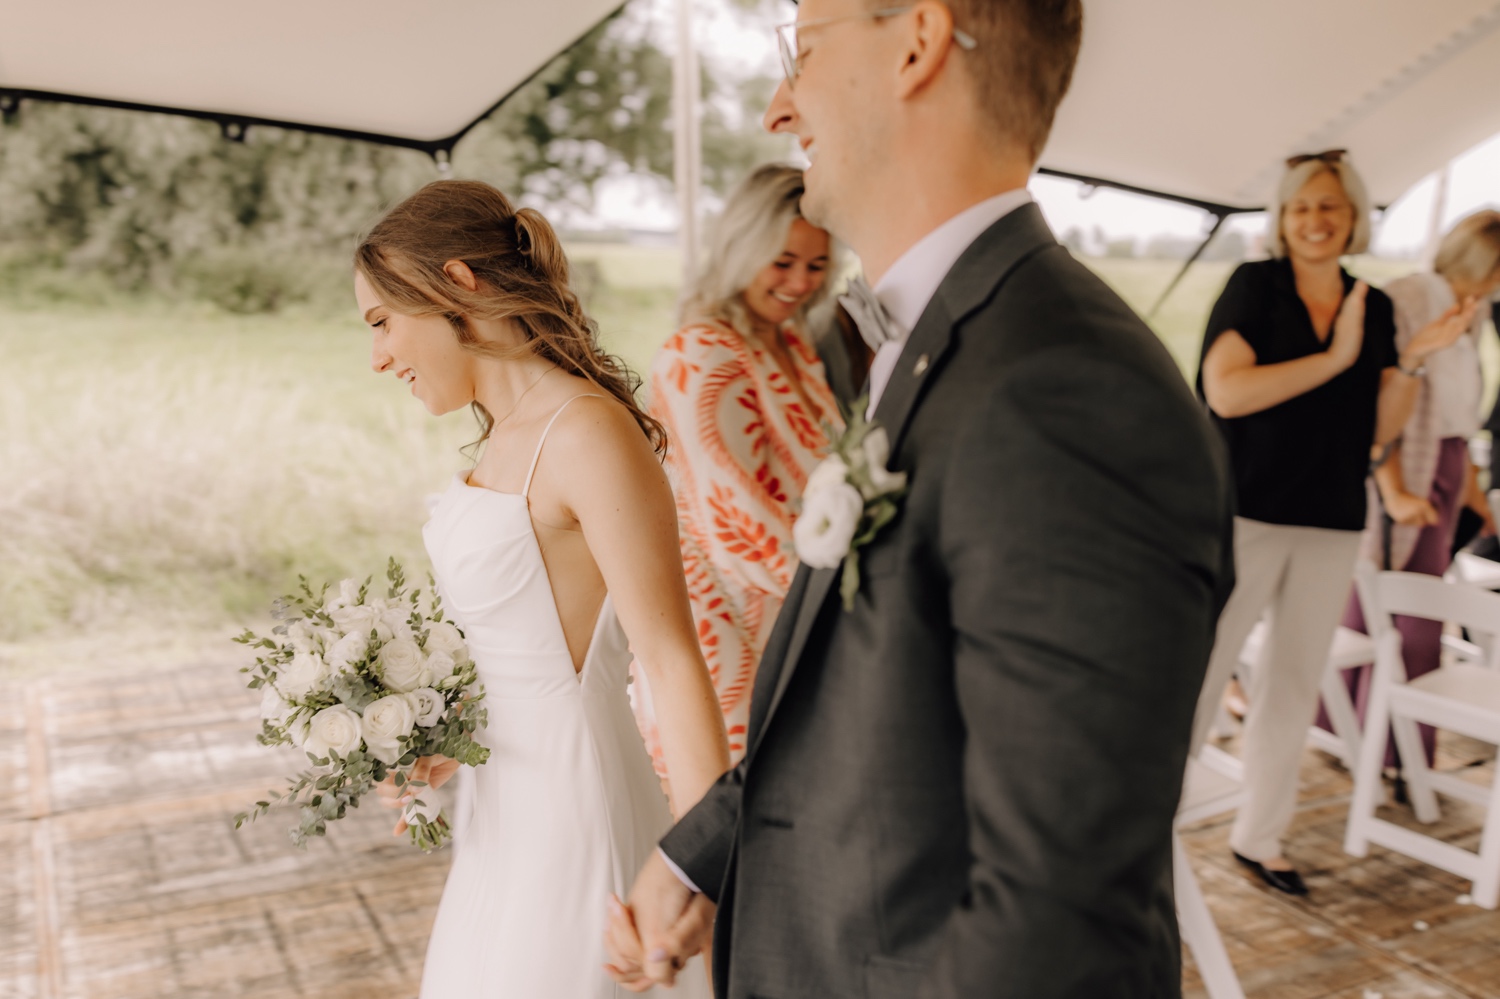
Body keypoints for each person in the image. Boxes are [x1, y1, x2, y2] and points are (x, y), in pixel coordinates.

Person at [606, 2, 1235, 997]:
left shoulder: (1066, 391)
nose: (779, 106)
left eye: (802, 53)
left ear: (918, 43)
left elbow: (1057, 916)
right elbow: (887, 686)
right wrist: (710, 852)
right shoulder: (941, 341)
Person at [353, 179, 728, 998]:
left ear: (457, 283)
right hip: (497, 817)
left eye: (382, 322)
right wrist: (442, 743)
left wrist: (704, 864)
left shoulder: (585, 431)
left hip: (573, 811)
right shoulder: (500, 442)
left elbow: (669, 661)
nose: (378, 356)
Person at [1191, 151, 1472, 896]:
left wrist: (1409, 362)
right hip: (1246, 512)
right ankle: (1146, 836)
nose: (1315, 220)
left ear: (1353, 218)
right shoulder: (1257, 287)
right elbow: (1227, 392)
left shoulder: (1372, 304)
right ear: (1283, 218)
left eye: (1330, 207)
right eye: (1301, 207)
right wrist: (1338, 355)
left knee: (1291, 683)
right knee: (1203, 670)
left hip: (1333, 518)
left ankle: (1261, 837)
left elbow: (1377, 431)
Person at [638, 164, 842, 769]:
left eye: (817, 265)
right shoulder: (700, 351)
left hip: (795, 612)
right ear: (742, 247)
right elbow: (740, 527)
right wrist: (860, 602)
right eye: (783, 262)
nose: (800, 282)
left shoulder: (794, 346)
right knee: (732, 827)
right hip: (727, 626)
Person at [1332, 210, 1500, 768]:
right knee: (1407, 612)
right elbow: (1382, 403)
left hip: (1446, 462)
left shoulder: (1470, 309)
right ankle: (1387, 748)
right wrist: (1397, 488)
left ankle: (1370, 741)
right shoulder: (1407, 299)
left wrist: (1475, 497)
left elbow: (1456, 414)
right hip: (1406, 469)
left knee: (1392, 606)